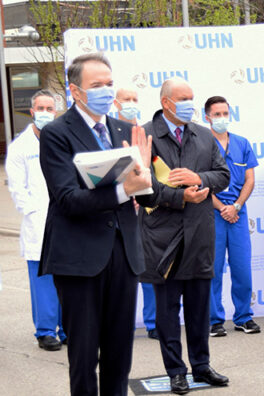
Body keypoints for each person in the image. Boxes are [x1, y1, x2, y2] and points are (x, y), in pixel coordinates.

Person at [38, 53, 153, 395]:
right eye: (97, 85)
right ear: (76, 91)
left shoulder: (124, 129)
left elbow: (144, 193)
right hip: (79, 258)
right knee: (85, 355)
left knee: (120, 353)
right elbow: (67, 199)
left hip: (123, 254)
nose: (107, 91)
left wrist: (147, 181)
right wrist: (123, 190)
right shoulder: (57, 133)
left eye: (109, 84)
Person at [138, 77, 230, 395]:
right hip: (162, 238)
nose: (190, 103)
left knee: (198, 307)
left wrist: (198, 178)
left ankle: (202, 366)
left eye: (192, 97)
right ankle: (175, 370)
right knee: (167, 311)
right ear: (166, 102)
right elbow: (141, 185)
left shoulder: (204, 136)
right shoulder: (145, 136)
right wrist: (180, 197)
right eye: (184, 98)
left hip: (199, 234)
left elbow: (224, 175)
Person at [6, 89, 65, 351]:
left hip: (67, 220)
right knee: (43, 280)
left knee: (69, 278)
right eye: (40, 108)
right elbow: (17, 188)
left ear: (56, 112)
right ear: (32, 112)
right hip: (38, 223)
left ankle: (68, 328)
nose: (45, 113)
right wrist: (33, 211)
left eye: (49, 109)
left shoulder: (64, 140)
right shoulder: (21, 147)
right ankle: (45, 331)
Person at [205, 96, 260, 336]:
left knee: (242, 270)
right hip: (211, 214)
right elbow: (198, 182)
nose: (221, 118)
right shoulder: (200, 144)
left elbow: (250, 179)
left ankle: (243, 317)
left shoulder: (242, 143)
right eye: (216, 114)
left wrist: (236, 206)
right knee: (212, 270)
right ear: (207, 117)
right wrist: (221, 208)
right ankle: (214, 320)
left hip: (237, 214)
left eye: (225, 113)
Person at [114, 87, 158, 340]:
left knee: (148, 267)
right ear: (116, 104)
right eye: (126, 100)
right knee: (119, 270)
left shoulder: (145, 135)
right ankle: (118, 324)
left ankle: (153, 322)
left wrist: (144, 197)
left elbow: (156, 173)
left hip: (145, 212)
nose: (131, 104)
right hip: (116, 210)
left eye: (135, 100)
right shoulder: (108, 135)